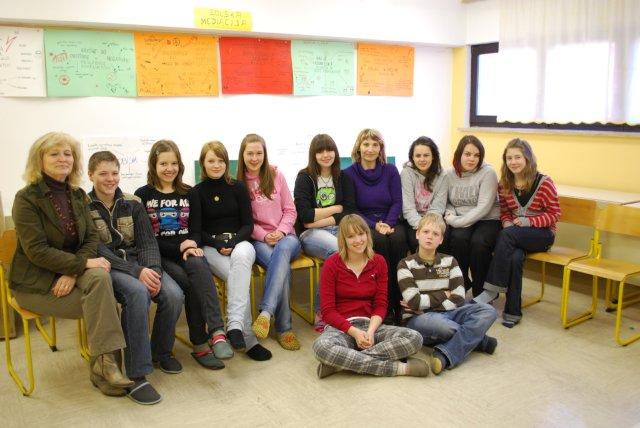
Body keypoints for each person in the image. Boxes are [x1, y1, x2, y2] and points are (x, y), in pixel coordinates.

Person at [10, 132, 132, 396]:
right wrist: (78, 266)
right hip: (37, 282)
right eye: (54, 154)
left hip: (72, 271)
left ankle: (105, 367)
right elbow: (37, 252)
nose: (62, 159)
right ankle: (105, 369)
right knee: (105, 304)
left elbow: (90, 238)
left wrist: (74, 272)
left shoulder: (77, 195)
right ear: (39, 160)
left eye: (67, 154)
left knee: (100, 277)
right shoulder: (26, 198)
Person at [87, 151, 184, 404]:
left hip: (141, 264)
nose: (110, 179)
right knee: (137, 293)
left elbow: (147, 242)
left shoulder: (133, 203)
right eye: (103, 174)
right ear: (90, 175)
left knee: (174, 295)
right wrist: (136, 272)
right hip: (111, 267)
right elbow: (97, 250)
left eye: (114, 173)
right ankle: (137, 373)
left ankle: (160, 352)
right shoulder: (84, 208)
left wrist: (154, 271)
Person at [135, 140, 233, 370]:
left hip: (186, 251)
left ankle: (217, 331)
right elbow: (146, 240)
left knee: (199, 265)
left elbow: (196, 230)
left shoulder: (190, 193)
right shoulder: (143, 195)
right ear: (154, 165)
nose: (169, 168)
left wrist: (193, 244)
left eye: (174, 163)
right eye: (163, 164)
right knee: (191, 284)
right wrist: (181, 247)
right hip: (159, 255)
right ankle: (200, 344)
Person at [312, 214, 429, 378]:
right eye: (351, 236)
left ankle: (341, 364)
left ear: (368, 234)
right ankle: (399, 369)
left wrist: (371, 332)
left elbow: (381, 304)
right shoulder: (332, 264)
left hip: (371, 326)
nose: (358, 240)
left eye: (361, 234)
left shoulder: (379, 262)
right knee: (321, 347)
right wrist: (355, 333)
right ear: (343, 240)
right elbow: (328, 312)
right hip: (342, 328)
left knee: (414, 338)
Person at [194, 141, 272, 361]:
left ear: (227, 163)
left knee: (242, 259)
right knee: (237, 276)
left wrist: (234, 241)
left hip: (241, 243)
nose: (216, 165)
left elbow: (248, 225)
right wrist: (218, 244)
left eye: (220, 160)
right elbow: (197, 231)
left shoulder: (238, 187)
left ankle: (234, 325)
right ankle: (247, 338)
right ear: (203, 164)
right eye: (211, 161)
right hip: (211, 247)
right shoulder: (196, 192)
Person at [473, 138, 560, 327]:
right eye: (509, 158)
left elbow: (554, 214)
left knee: (507, 235)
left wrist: (529, 221)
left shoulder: (544, 183)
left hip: (543, 234)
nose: (513, 162)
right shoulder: (504, 184)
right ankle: (512, 312)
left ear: (527, 158)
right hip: (515, 235)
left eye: (518, 157)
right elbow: (505, 211)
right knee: (515, 256)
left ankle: (492, 289)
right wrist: (506, 222)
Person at [398, 213, 498, 374]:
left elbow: (459, 297)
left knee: (489, 311)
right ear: (417, 234)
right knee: (442, 325)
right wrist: (444, 294)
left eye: (435, 234)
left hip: (444, 312)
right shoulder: (405, 264)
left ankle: (446, 353)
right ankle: (480, 340)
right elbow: (414, 301)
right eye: (426, 232)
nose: (430, 236)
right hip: (418, 319)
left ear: (441, 240)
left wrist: (427, 306)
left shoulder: (451, 261)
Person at [237, 133, 301, 351]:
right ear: (242, 155)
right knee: (281, 268)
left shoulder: (276, 175)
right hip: (260, 240)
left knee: (281, 252)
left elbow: (290, 210)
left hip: (287, 238)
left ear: (265, 154)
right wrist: (264, 236)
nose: (255, 158)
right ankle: (284, 329)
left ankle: (265, 312)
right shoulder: (239, 184)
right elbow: (244, 221)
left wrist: (281, 232)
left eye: (259, 153)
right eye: (250, 153)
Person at [343, 129, 408, 324]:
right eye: (366, 144)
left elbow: (397, 201)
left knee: (399, 240)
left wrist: (388, 223)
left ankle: (400, 302)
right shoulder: (349, 174)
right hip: (364, 222)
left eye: (375, 144)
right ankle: (384, 305)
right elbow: (352, 209)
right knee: (379, 242)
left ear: (381, 148)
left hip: (390, 220)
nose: (370, 149)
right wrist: (375, 225)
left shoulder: (390, 171)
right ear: (358, 147)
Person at [293, 134, 356, 332]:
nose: (326, 155)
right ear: (313, 154)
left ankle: (349, 308)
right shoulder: (304, 177)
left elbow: (349, 210)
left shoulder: (343, 177)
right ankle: (322, 312)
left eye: (329, 150)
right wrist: (335, 208)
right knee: (337, 251)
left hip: (335, 228)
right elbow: (305, 215)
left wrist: (321, 218)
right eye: (320, 151)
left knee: (359, 249)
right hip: (310, 234)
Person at [432, 135, 501, 297]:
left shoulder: (488, 172)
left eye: (477, 155)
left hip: (487, 219)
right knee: (456, 239)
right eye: (467, 154)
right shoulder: (449, 174)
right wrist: (451, 213)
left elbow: (484, 207)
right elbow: (447, 200)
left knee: (479, 244)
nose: (472, 159)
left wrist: (456, 221)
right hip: (460, 218)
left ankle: (482, 292)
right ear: (459, 154)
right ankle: (460, 284)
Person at [400, 136, 446, 253]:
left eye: (426, 155)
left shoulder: (442, 175)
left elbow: (438, 207)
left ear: (433, 156)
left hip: (434, 219)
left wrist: (430, 227)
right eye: (418, 156)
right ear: (412, 157)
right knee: (415, 240)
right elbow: (408, 207)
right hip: (412, 219)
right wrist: (423, 228)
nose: (422, 159)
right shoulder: (406, 173)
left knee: (443, 238)